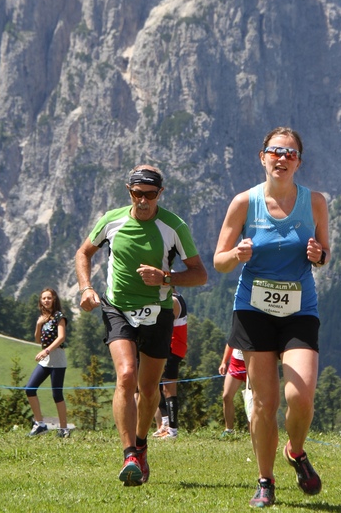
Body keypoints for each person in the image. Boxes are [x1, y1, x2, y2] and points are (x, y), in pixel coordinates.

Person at [214, 126, 330, 509]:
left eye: (290, 153)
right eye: (275, 151)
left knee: (300, 396)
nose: (282, 158)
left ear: (299, 161)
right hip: (253, 309)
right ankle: (265, 480)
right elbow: (220, 260)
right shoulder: (244, 202)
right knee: (264, 402)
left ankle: (294, 451)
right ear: (262, 157)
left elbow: (325, 251)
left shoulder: (315, 202)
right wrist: (238, 254)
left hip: (299, 309)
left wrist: (319, 255)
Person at [75, 164, 207, 486]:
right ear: (129, 191)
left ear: (160, 193)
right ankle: (129, 455)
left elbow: (200, 274)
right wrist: (86, 288)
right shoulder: (112, 220)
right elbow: (84, 252)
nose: (143, 200)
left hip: (159, 312)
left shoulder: (174, 227)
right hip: (118, 307)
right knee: (126, 376)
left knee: (149, 391)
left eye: (149, 194)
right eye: (137, 194)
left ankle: (142, 444)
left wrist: (165, 277)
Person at [25, 288, 69, 438]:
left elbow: (61, 337)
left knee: (57, 394)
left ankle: (63, 429)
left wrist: (46, 351)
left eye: (49, 298)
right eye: (43, 298)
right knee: (30, 389)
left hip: (57, 359)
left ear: (54, 299)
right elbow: (38, 340)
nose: (46, 300)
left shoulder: (59, 317)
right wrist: (38, 325)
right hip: (46, 361)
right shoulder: (43, 318)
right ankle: (40, 424)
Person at [152, 289, 188, 440]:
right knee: (157, 385)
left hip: (173, 347)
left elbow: (164, 323)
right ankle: (165, 423)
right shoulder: (172, 297)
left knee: (168, 388)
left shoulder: (173, 300)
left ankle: (172, 429)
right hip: (168, 346)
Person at [218, 343, 247, 436]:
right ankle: (229, 430)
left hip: (252, 362)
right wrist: (224, 362)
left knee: (252, 400)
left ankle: (253, 433)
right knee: (226, 396)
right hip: (236, 362)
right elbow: (231, 341)